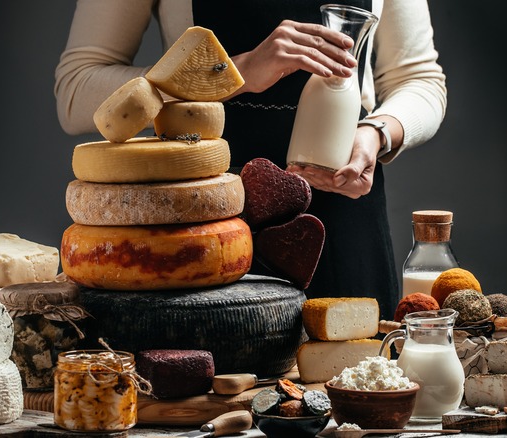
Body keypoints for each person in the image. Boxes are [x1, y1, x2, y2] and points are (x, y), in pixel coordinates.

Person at [54, 0, 447, 321]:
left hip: (345, 224)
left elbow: (419, 78)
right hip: (198, 223)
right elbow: (75, 91)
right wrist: (229, 71)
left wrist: (376, 133)